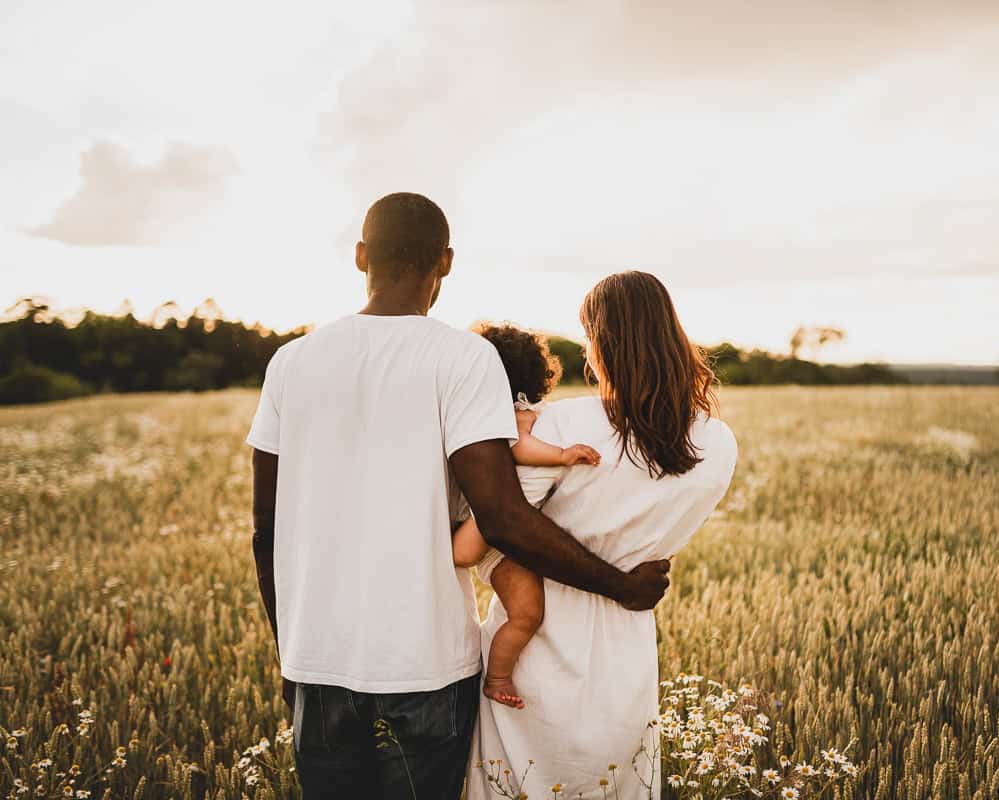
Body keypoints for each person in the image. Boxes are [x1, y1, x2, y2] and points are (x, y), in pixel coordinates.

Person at [245, 194, 672, 799]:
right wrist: (621, 585)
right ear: (444, 263)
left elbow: (266, 527)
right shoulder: (463, 358)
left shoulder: (289, 363)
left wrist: (290, 653)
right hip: (426, 666)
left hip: (316, 662)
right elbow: (501, 516)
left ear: (361, 256)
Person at [467, 271, 737, 799]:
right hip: (627, 655)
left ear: (601, 343)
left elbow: (500, 528)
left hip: (530, 651)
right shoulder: (718, 443)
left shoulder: (563, 426)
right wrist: (624, 578)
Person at [451, 323, 602, 710]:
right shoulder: (514, 412)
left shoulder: (486, 409)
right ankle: (497, 676)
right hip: (495, 535)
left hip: (499, 530)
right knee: (528, 612)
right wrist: (563, 455)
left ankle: (496, 673)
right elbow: (519, 447)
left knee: (528, 611)